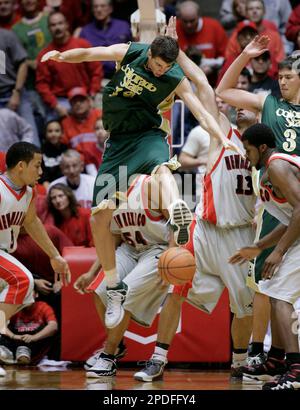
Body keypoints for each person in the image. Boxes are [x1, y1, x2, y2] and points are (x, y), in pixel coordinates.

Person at [41, 32, 243, 332]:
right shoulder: (131, 53)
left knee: (161, 168)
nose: (162, 70)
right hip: (118, 143)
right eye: (159, 65)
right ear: (150, 55)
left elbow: (199, 110)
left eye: (166, 66)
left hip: (148, 135)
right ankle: (113, 287)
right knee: (100, 217)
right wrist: (61, 55)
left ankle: (176, 209)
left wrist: (220, 138)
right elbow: (92, 52)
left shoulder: (174, 77)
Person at [134, 18, 257, 382]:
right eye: (238, 103)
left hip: (241, 237)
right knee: (176, 287)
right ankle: (157, 358)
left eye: (248, 103)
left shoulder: (270, 149)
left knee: (244, 307)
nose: (241, 107)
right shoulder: (221, 133)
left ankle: (238, 364)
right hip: (205, 229)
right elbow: (203, 84)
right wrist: (178, 52)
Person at [216, 35, 300, 381]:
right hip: (275, 196)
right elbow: (224, 91)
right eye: (279, 75)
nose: (280, 80)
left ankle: (290, 364)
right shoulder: (269, 103)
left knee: (276, 288)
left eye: (288, 76)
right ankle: (278, 357)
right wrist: (244, 55)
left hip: (291, 190)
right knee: (267, 285)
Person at [74, 173, 173, 378]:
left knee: (123, 294)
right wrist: (92, 272)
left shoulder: (150, 185)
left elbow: (176, 222)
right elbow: (112, 237)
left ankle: (108, 357)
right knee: (99, 290)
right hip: (129, 249)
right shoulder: (109, 190)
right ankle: (117, 345)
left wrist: (169, 259)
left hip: (157, 249)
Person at [229, 123, 300, 390]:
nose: (246, 156)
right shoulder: (267, 170)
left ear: (261, 147)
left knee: (281, 298)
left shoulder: (276, 167)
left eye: (248, 150)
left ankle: (295, 371)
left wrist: (279, 252)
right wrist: (260, 247)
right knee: (271, 290)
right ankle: (276, 360)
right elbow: (288, 218)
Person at [0, 141, 70, 378]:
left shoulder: (30, 192)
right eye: (37, 166)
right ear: (21, 166)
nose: (41, 172)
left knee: (23, 291)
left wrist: (55, 256)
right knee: (22, 280)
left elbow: (31, 223)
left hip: (4, 252)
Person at [40, 120, 68, 188]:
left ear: (62, 133)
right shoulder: (40, 152)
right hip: (48, 187)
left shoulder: (66, 149)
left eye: (57, 131)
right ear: (45, 134)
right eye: (50, 131)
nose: (53, 134)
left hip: (66, 186)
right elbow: (42, 176)